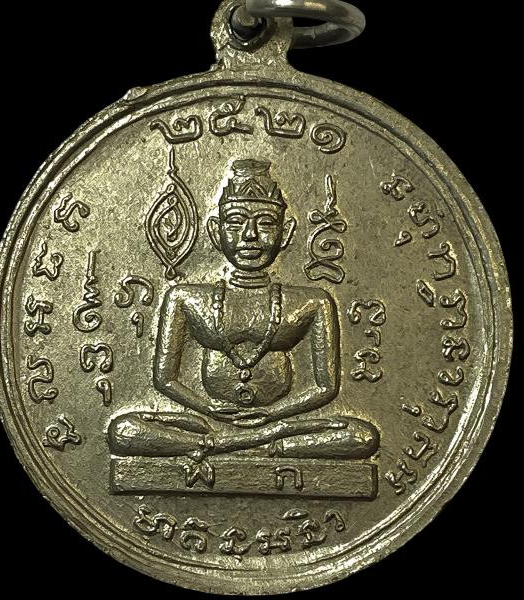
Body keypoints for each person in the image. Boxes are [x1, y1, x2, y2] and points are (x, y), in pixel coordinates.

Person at [108, 159, 378, 465]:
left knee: (362, 436)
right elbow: (165, 379)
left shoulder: (312, 301)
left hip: (281, 423)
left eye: (265, 224)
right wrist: (208, 408)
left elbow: (325, 387)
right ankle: (251, 445)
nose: (250, 235)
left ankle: (223, 446)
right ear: (216, 232)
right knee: (124, 430)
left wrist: (274, 415)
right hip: (206, 421)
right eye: (236, 223)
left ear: (286, 233)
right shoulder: (185, 297)